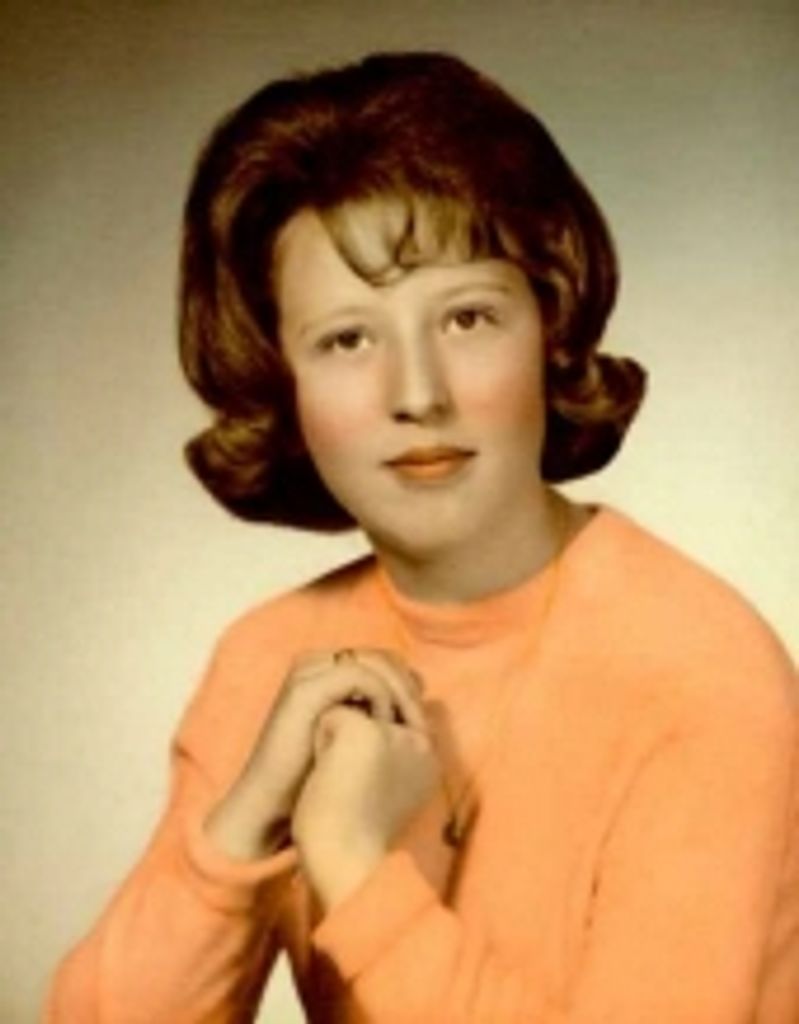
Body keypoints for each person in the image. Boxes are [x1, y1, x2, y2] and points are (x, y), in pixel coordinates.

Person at [44, 51, 798, 1023]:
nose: (417, 394)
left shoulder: (701, 675)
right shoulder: (271, 659)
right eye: (347, 339)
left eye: (467, 318)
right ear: (280, 383)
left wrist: (356, 868)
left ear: (549, 331)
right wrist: (239, 831)